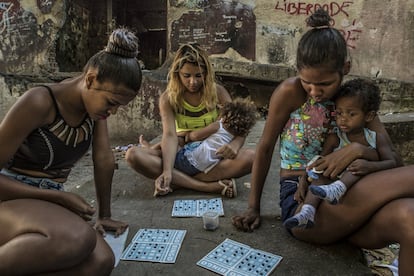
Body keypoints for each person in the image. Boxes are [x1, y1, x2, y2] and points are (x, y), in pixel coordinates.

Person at [231, 9, 414, 275]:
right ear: (298, 73)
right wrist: (252, 207)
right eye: (308, 83)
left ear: (346, 69)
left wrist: (358, 150)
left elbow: (394, 163)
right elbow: (266, 146)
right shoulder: (289, 93)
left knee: (410, 216)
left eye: (326, 84)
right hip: (305, 202)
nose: (315, 92)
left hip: (352, 200)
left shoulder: (355, 102)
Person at [0, 28, 142, 275]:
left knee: (101, 262)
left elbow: (103, 158)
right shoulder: (39, 101)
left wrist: (105, 215)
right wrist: (59, 198)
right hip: (11, 198)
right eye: (111, 102)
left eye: (119, 106)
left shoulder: (94, 109)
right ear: (90, 79)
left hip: (46, 199)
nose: (113, 111)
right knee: (77, 238)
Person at [126, 43, 254, 197]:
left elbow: (240, 124)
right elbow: (170, 136)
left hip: (213, 158)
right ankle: (208, 187)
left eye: (198, 75)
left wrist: (235, 144)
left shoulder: (217, 92)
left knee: (252, 158)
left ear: (206, 74)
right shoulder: (168, 98)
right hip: (180, 154)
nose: (193, 82)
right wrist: (167, 170)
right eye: (186, 76)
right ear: (177, 74)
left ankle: (178, 181)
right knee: (133, 155)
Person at [283, 78, 397, 229]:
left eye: (351, 114)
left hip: (359, 188)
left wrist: (369, 166)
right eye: (339, 113)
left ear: (368, 116)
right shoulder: (335, 137)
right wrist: (304, 178)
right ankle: (307, 212)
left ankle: (337, 189)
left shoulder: (376, 139)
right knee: (320, 176)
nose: (343, 119)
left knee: (356, 166)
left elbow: (392, 163)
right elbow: (319, 160)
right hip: (329, 185)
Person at [174, 97, 257, 195]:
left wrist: (187, 135)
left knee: (167, 147)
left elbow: (194, 136)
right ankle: (193, 182)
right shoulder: (233, 136)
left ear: (225, 115)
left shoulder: (218, 125)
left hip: (188, 160)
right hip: (207, 167)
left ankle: (180, 181)